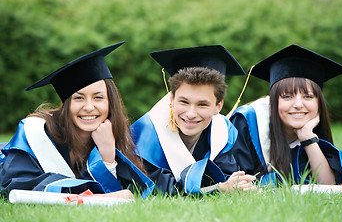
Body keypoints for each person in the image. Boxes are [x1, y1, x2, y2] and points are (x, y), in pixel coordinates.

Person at [0, 42, 154, 199]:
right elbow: (17, 185)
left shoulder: (113, 134)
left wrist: (107, 155)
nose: (88, 107)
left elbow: (133, 189)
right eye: (79, 98)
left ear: (110, 103)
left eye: (98, 97)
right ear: (67, 105)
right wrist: (92, 195)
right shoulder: (37, 133)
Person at [131, 45, 256, 195]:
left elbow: (226, 178)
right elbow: (162, 192)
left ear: (218, 106)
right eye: (184, 102)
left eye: (202, 104)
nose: (191, 114)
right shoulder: (145, 137)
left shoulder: (222, 133)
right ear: (171, 99)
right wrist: (220, 189)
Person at [229, 44, 342, 185]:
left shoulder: (312, 132)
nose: (298, 104)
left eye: (308, 96)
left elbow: (330, 188)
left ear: (318, 103)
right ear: (273, 101)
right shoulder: (247, 122)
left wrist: (308, 139)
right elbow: (236, 183)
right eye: (287, 96)